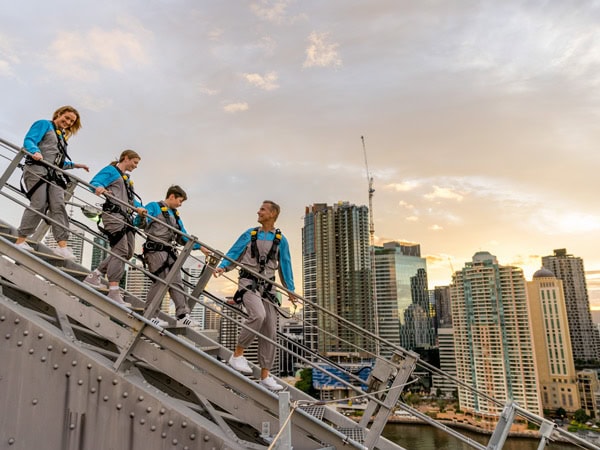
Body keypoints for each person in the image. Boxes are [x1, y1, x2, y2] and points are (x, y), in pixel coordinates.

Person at [214, 200, 295, 391]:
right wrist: (223, 267)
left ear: (273, 214)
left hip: (268, 287)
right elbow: (235, 252)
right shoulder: (250, 234)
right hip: (248, 283)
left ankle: (265, 376)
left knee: (270, 332)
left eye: (263, 209)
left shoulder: (281, 240)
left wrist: (290, 290)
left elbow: (285, 264)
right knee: (258, 315)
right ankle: (237, 355)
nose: (258, 212)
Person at [15, 105, 89, 258]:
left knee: (58, 205)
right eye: (67, 118)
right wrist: (34, 151)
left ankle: (62, 246)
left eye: (71, 121)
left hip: (53, 175)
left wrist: (75, 165)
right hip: (36, 169)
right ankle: (20, 240)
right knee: (39, 204)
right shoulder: (44, 124)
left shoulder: (62, 137)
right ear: (59, 114)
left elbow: (58, 161)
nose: (68, 122)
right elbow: (29, 140)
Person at [138, 185, 208, 327]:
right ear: (172, 196)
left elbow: (183, 236)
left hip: (169, 251)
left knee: (176, 281)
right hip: (155, 250)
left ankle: (182, 315)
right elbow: (140, 223)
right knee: (161, 280)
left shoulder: (175, 215)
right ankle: (150, 315)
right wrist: (141, 214)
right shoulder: (154, 206)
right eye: (180, 201)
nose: (180, 204)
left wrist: (199, 246)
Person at [84, 150, 146, 305]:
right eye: (135, 162)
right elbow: (95, 183)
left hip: (126, 218)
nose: (136, 166)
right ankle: (113, 290)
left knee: (128, 252)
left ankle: (96, 274)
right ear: (126, 158)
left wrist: (139, 208)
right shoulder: (112, 171)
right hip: (113, 216)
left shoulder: (127, 179)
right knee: (121, 250)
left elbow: (130, 201)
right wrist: (100, 188)